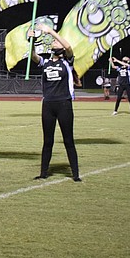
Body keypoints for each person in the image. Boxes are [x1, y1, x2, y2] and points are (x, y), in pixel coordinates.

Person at [31, 24, 80, 181]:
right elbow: (33, 56)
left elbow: (68, 46)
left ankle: (75, 175)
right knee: (48, 141)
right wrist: (31, 40)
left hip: (64, 104)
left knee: (68, 140)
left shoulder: (67, 62)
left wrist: (51, 31)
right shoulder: (45, 63)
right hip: (48, 105)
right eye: (54, 41)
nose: (55, 42)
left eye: (57, 42)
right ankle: (43, 173)